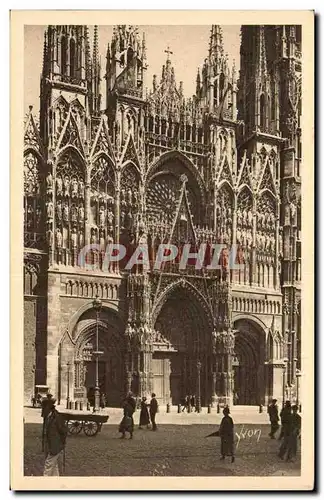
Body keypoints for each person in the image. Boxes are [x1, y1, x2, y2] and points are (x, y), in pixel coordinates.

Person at [43, 398, 67, 476]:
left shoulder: (57, 417)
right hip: (51, 445)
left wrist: (62, 443)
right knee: (54, 466)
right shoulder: (49, 417)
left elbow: (63, 431)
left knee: (48, 466)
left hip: (55, 445)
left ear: (48, 408)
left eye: (43, 408)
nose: (42, 411)